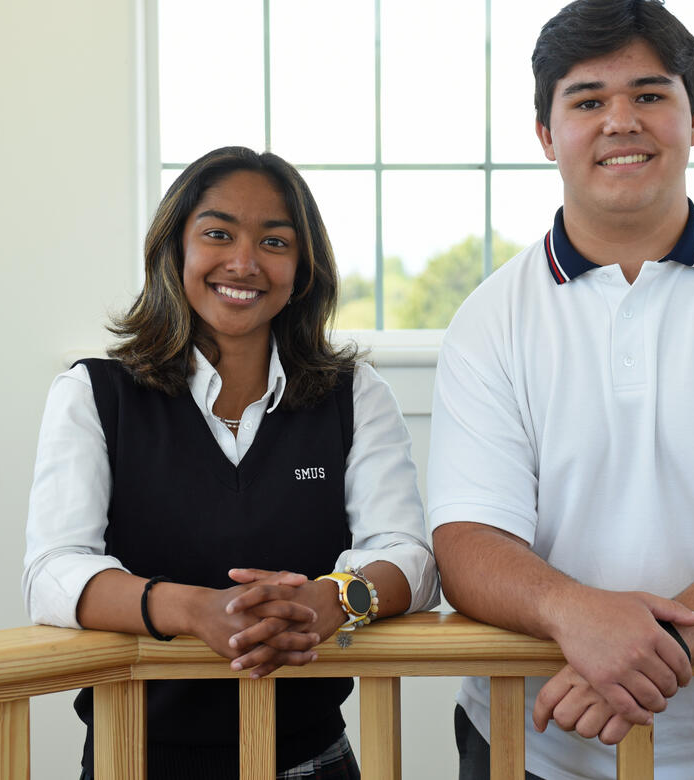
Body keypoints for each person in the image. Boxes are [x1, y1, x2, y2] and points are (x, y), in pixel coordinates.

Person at [427, 2, 694, 779]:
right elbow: (466, 545)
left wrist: (644, 655)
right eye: (588, 101)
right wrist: (576, 614)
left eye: (649, 95)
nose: (621, 121)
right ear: (547, 134)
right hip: (528, 744)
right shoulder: (489, 319)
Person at [22, 145, 439, 779]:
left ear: (301, 270)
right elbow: (53, 573)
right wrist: (193, 611)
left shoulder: (356, 396)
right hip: (132, 762)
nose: (243, 263)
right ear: (176, 251)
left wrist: (332, 601)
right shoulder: (92, 394)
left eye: (275, 242)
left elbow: (412, 555)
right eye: (218, 234)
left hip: (313, 763)